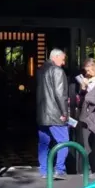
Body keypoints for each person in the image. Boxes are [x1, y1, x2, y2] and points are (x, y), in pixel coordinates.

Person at [37, 48, 70, 180]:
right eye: (62, 59)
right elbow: (60, 94)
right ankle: (60, 169)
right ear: (55, 57)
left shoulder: (40, 71)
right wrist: (64, 112)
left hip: (42, 114)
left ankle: (44, 171)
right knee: (64, 141)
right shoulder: (57, 71)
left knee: (44, 143)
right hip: (55, 114)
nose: (63, 63)